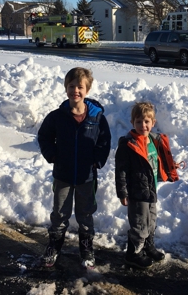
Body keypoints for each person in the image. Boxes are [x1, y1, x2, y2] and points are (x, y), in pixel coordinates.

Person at [38, 67, 111, 269]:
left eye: (80, 87)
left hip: (87, 176)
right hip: (63, 174)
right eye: (71, 86)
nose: (75, 91)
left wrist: (97, 160)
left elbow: (104, 141)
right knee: (60, 213)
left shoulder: (96, 118)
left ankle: (86, 248)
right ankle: (54, 245)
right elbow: (44, 136)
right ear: (66, 88)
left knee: (85, 214)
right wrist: (51, 154)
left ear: (87, 90)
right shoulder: (57, 116)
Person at [115, 102, 180, 269]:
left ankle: (148, 246)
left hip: (151, 190)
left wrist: (171, 166)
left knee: (151, 220)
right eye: (138, 122)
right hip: (136, 192)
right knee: (139, 223)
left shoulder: (153, 140)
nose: (142, 125)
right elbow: (121, 171)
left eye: (146, 122)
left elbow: (156, 162)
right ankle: (133, 253)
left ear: (153, 122)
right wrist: (122, 192)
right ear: (132, 123)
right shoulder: (128, 144)